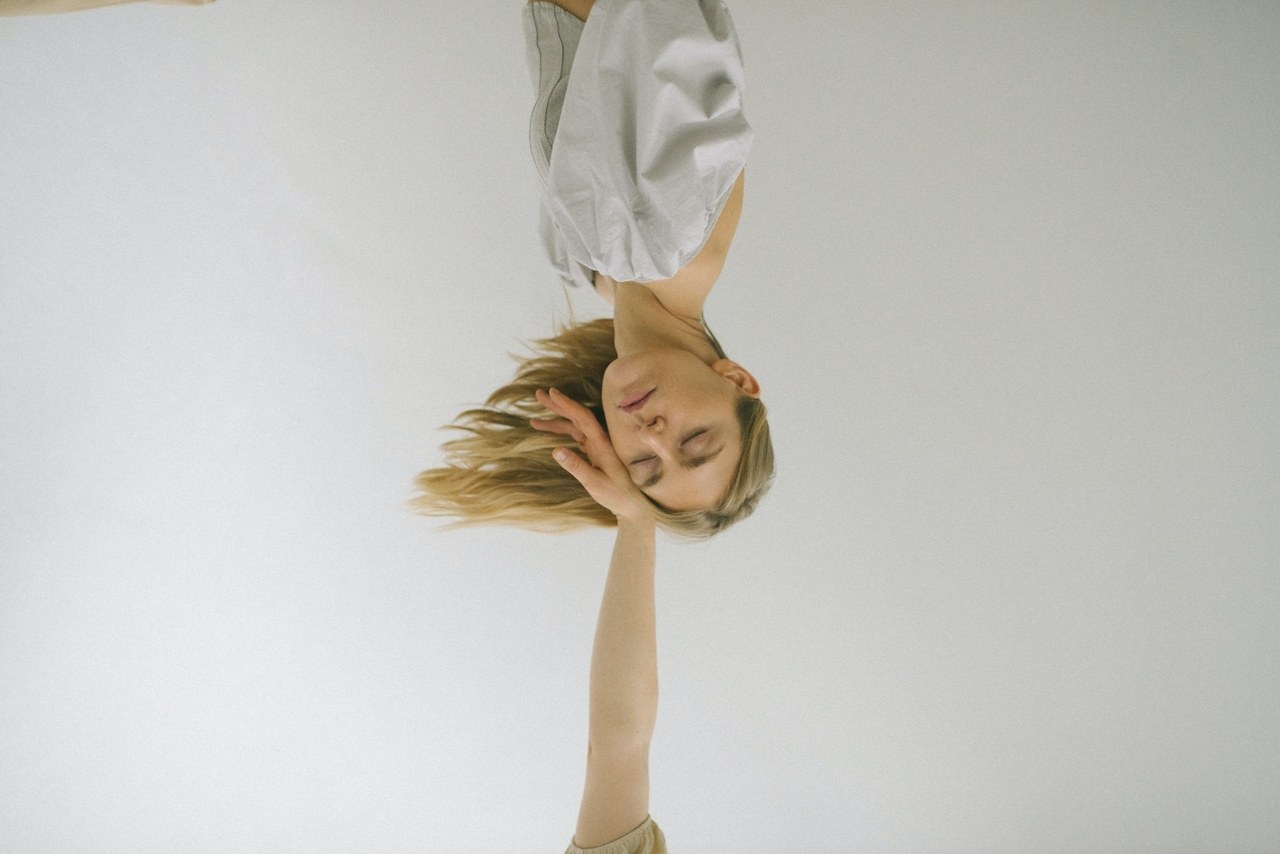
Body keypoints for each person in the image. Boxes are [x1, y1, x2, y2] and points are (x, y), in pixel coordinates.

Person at [413, 0, 774, 541]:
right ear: (736, 381)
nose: (652, 436)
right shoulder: (665, 239)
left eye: (643, 466)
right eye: (695, 441)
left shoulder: (595, 271)